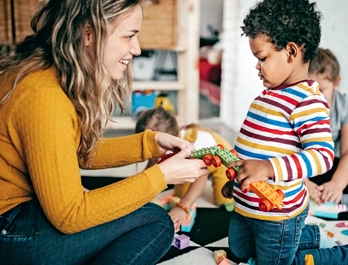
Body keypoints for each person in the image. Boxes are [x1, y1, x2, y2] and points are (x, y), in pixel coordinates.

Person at [0, 1, 209, 264]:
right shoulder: (43, 95)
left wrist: (152, 142)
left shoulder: (47, 75)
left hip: (14, 216)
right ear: (89, 33)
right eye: (129, 36)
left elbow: (77, 153)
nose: (137, 48)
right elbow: (69, 216)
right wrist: (161, 175)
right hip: (8, 228)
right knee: (156, 221)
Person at [221, 0, 348, 264]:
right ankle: (305, 235)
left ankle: (333, 255)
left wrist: (267, 168)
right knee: (240, 251)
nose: (258, 66)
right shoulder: (268, 95)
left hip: (277, 215)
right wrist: (237, 178)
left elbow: (322, 155)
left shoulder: (307, 101)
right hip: (246, 204)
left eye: (262, 58)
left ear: (291, 52)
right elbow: (253, 148)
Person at [135, 107, 235, 231]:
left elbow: (201, 177)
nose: (154, 155)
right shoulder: (158, 145)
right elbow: (151, 167)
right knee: (180, 194)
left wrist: (183, 207)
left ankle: (226, 198)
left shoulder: (197, 144)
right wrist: (139, 189)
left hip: (219, 163)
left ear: (174, 139)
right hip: (193, 161)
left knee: (223, 199)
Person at [304, 48, 348, 205]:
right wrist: (304, 182)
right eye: (309, 90)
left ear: (336, 82)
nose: (315, 98)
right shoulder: (298, 106)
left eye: (321, 90)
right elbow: (288, 149)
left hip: (333, 166)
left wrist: (337, 183)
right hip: (303, 165)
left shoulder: (343, 106)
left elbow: (347, 153)